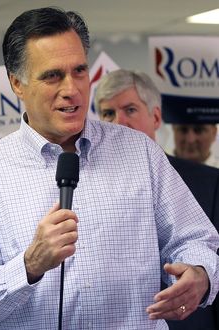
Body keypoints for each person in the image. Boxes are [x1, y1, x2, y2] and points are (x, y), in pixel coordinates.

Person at [0, 7, 219, 330]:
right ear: (17, 83)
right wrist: (29, 266)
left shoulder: (140, 152)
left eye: (79, 71)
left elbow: (196, 239)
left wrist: (200, 274)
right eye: (52, 75)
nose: (72, 88)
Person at [94, 68, 219, 329]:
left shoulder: (210, 183)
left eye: (130, 110)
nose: (119, 122)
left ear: (156, 116)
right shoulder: (85, 187)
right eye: (108, 113)